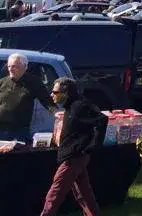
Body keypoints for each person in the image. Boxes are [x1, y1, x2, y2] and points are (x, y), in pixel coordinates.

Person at [39, 77, 107, 216]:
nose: (52, 95)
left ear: (66, 93)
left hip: (74, 157)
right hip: (71, 155)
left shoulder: (80, 106)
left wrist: (93, 145)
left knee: (55, 193)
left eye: (55, 92)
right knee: (84, 193)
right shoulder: (70, 106)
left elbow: (102, 119)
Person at [0, 53, 55, 141]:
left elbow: (46, 100)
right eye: (9, 66)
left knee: (19, 154)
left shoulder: (33, 82)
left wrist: (56, 112)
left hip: (19, 131)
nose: (10, 69)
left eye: (14, 66)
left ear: (25, 67)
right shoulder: (2, 82)